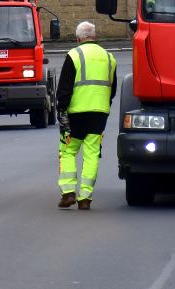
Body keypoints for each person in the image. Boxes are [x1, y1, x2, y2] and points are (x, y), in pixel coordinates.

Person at [55, 21, 117, 211]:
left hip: (76, 114)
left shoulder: (74, 55)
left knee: (68, 151)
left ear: (78, 38)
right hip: (99, 114)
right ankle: (85, 199)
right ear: (94, 37)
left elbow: (64, 89)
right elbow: (112, 90)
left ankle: (68, 193)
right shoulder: (109, 58)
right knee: (91, 155)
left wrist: (61, 110)